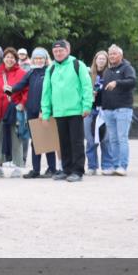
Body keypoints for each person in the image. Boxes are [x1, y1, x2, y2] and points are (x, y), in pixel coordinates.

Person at [41, 40, 92, 182]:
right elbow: (46, 92)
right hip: (58, 112)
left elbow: (86, 86)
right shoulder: (50, 69)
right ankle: (66, 168)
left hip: (75, 110)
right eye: (55, 51)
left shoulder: (78, 65)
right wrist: (45, 112)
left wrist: (87, 105)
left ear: (67, 50)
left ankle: (77, 171)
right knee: (63, 143)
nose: (58, 53)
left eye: (61, 50)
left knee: (76, 142)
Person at [9, 48, 58, 178]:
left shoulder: (50, 72)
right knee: (35, 141)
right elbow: (20, 85)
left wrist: (44, 110)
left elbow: (51, 93)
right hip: (31, 111)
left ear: (45, 59)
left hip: (45, 111)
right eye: (36, 58)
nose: (38, 60)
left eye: (41, 58)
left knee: (48, 140)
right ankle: (35, 170)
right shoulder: (31, 72)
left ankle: (52, 169)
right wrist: (8, 91)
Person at [101, 44, 137, 176]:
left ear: (120, 55)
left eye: (114, 54)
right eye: (110, 54)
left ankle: (123, 166)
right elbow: (105, 89)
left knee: (122, 138)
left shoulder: (127, 68)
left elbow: (132, 81)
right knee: (112, 139)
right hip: (108, 110)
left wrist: (117, 82)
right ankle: (115, 165)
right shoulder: (107, 71)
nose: (111, 56)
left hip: (123, 109)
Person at [0, 47, 26, 177]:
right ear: (3, 58)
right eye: (7, 57)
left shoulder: (21, 73)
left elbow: (26, 90)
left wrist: (22, 103)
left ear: (16, 59)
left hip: (14, 110)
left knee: (16, 138)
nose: (9, 59)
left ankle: (18, 166)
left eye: (12, 57)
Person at [85, 51, 110, 175]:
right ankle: (92, 166)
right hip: (91, 109)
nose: (101, 61)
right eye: (99, 59)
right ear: (95, 60)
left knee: (105, 139)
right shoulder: (89, 74)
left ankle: (107, 166)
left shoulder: (110, 74)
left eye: (103, 59)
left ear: (107, 61)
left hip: (104, 109)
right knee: (90, 139)